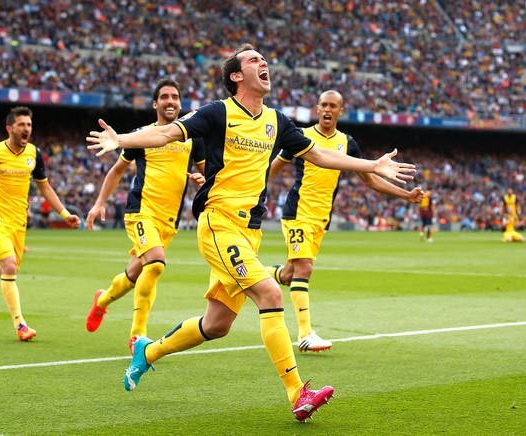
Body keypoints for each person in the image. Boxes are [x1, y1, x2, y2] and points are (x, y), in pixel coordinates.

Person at [87, 44, 415, 422]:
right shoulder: (217, 112)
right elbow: (166, 135)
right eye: (254, 60)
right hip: (219, 224)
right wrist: (121, 140)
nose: (264, 63)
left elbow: (320, 155)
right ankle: (298, 392)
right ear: (236, 76)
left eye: (264, 60)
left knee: (216, 325)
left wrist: (371, 164)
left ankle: (148, 351)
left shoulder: (277, 121)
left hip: (250, 232)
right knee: (270, 292)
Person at [268, 90, 423, 352]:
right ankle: (305, 334)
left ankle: (265, 274)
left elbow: (370, 179)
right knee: (304, 268)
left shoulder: (347, 143)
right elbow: (275, 166)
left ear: (341, 111)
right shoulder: (301, 136)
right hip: (298, 213)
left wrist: (405, 195)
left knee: (290, 273)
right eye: (324, 105)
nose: (328, 110)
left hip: (321, 218)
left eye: (333, 106)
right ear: (317, 108)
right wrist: (254, 191)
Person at [84, 79, 205, 351]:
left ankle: (102, 300)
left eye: (175, 97)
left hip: (169, 220)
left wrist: (203, 180)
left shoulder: (192, 138)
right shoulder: (141, 135)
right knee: (156, 263)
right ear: (155, 104)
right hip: (141, 212)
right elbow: (117, 170)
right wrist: (99, 203)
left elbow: (208, 174)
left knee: (135, 272)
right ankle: (138, 336)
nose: (170, 101)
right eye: (165, 97)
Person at [0, 106, 81, 341]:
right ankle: (20, 325)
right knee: (9, 265)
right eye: (21, 125)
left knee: (7, 269)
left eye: (29, 124)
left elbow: (44, 187)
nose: (26, 129)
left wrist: (65, 213)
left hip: (19, 222)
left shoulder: (34, 154)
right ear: (10, 128)